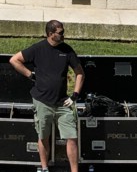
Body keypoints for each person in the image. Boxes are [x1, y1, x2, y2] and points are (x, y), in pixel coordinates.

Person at [11, 20, 84, 172]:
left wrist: (75, 95)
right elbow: (14, 60)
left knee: (72, 137)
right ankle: (44, 168)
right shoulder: (38, 48)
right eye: (61, 33)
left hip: (63, 102)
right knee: (43, 136)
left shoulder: (67, 50)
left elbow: (80, 73)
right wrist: (30, 75)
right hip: (42, 101)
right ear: (51, 34)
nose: (63, 35)